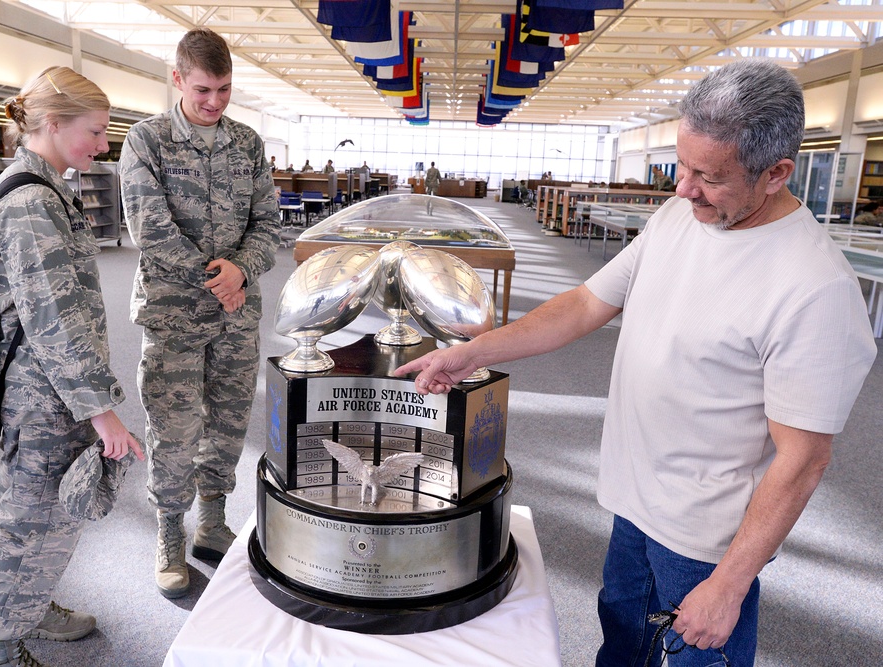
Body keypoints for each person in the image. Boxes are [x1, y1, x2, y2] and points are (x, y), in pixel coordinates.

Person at [396, 58, 876, 666]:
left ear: (778, 172)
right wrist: (472, 353)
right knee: (622, 644)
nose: (683, 188)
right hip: (633, 506)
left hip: (705, 541)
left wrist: (727, 587)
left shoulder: (814, 289)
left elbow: (804, 459)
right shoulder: (681, 217)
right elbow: (582, 305)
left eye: (708, 176)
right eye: (682, 165)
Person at [0, 66, 144, 667]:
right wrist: (105, 419)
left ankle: (32, 603)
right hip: (42, 391)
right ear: (51, 124)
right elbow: (54, 323)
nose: (103, 145)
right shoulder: (29, 205)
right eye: (95, 132)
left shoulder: (45, 187)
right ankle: (0, 644)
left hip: (51, 389)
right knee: (30, 517)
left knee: (47, 513)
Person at [119, 28, 280, 600]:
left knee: (228, 423)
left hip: (237, 319)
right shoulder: (146, 141)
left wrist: (242, 270)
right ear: (178, 78)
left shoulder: (248, 144)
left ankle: (212, 522)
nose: (215, 102)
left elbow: (269, 224)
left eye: (226, 90)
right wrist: (221, 282)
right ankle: (169, 533)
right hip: (174, 318)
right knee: (174, 428)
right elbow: (150, 230)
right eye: (205, 89)